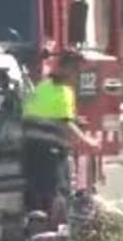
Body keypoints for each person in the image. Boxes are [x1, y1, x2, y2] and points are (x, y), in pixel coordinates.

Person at [21, 51, 100, 222]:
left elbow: (46, 115)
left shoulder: (44, 86)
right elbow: (66, 126)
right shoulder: (62, 91)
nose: (78, 77)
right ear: (68, 69)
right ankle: (54, 238)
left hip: (30, 151)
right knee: (57, 197)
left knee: (36, 200)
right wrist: (89, 143)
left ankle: (33, 237)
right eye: (77, 71)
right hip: (50, 154)